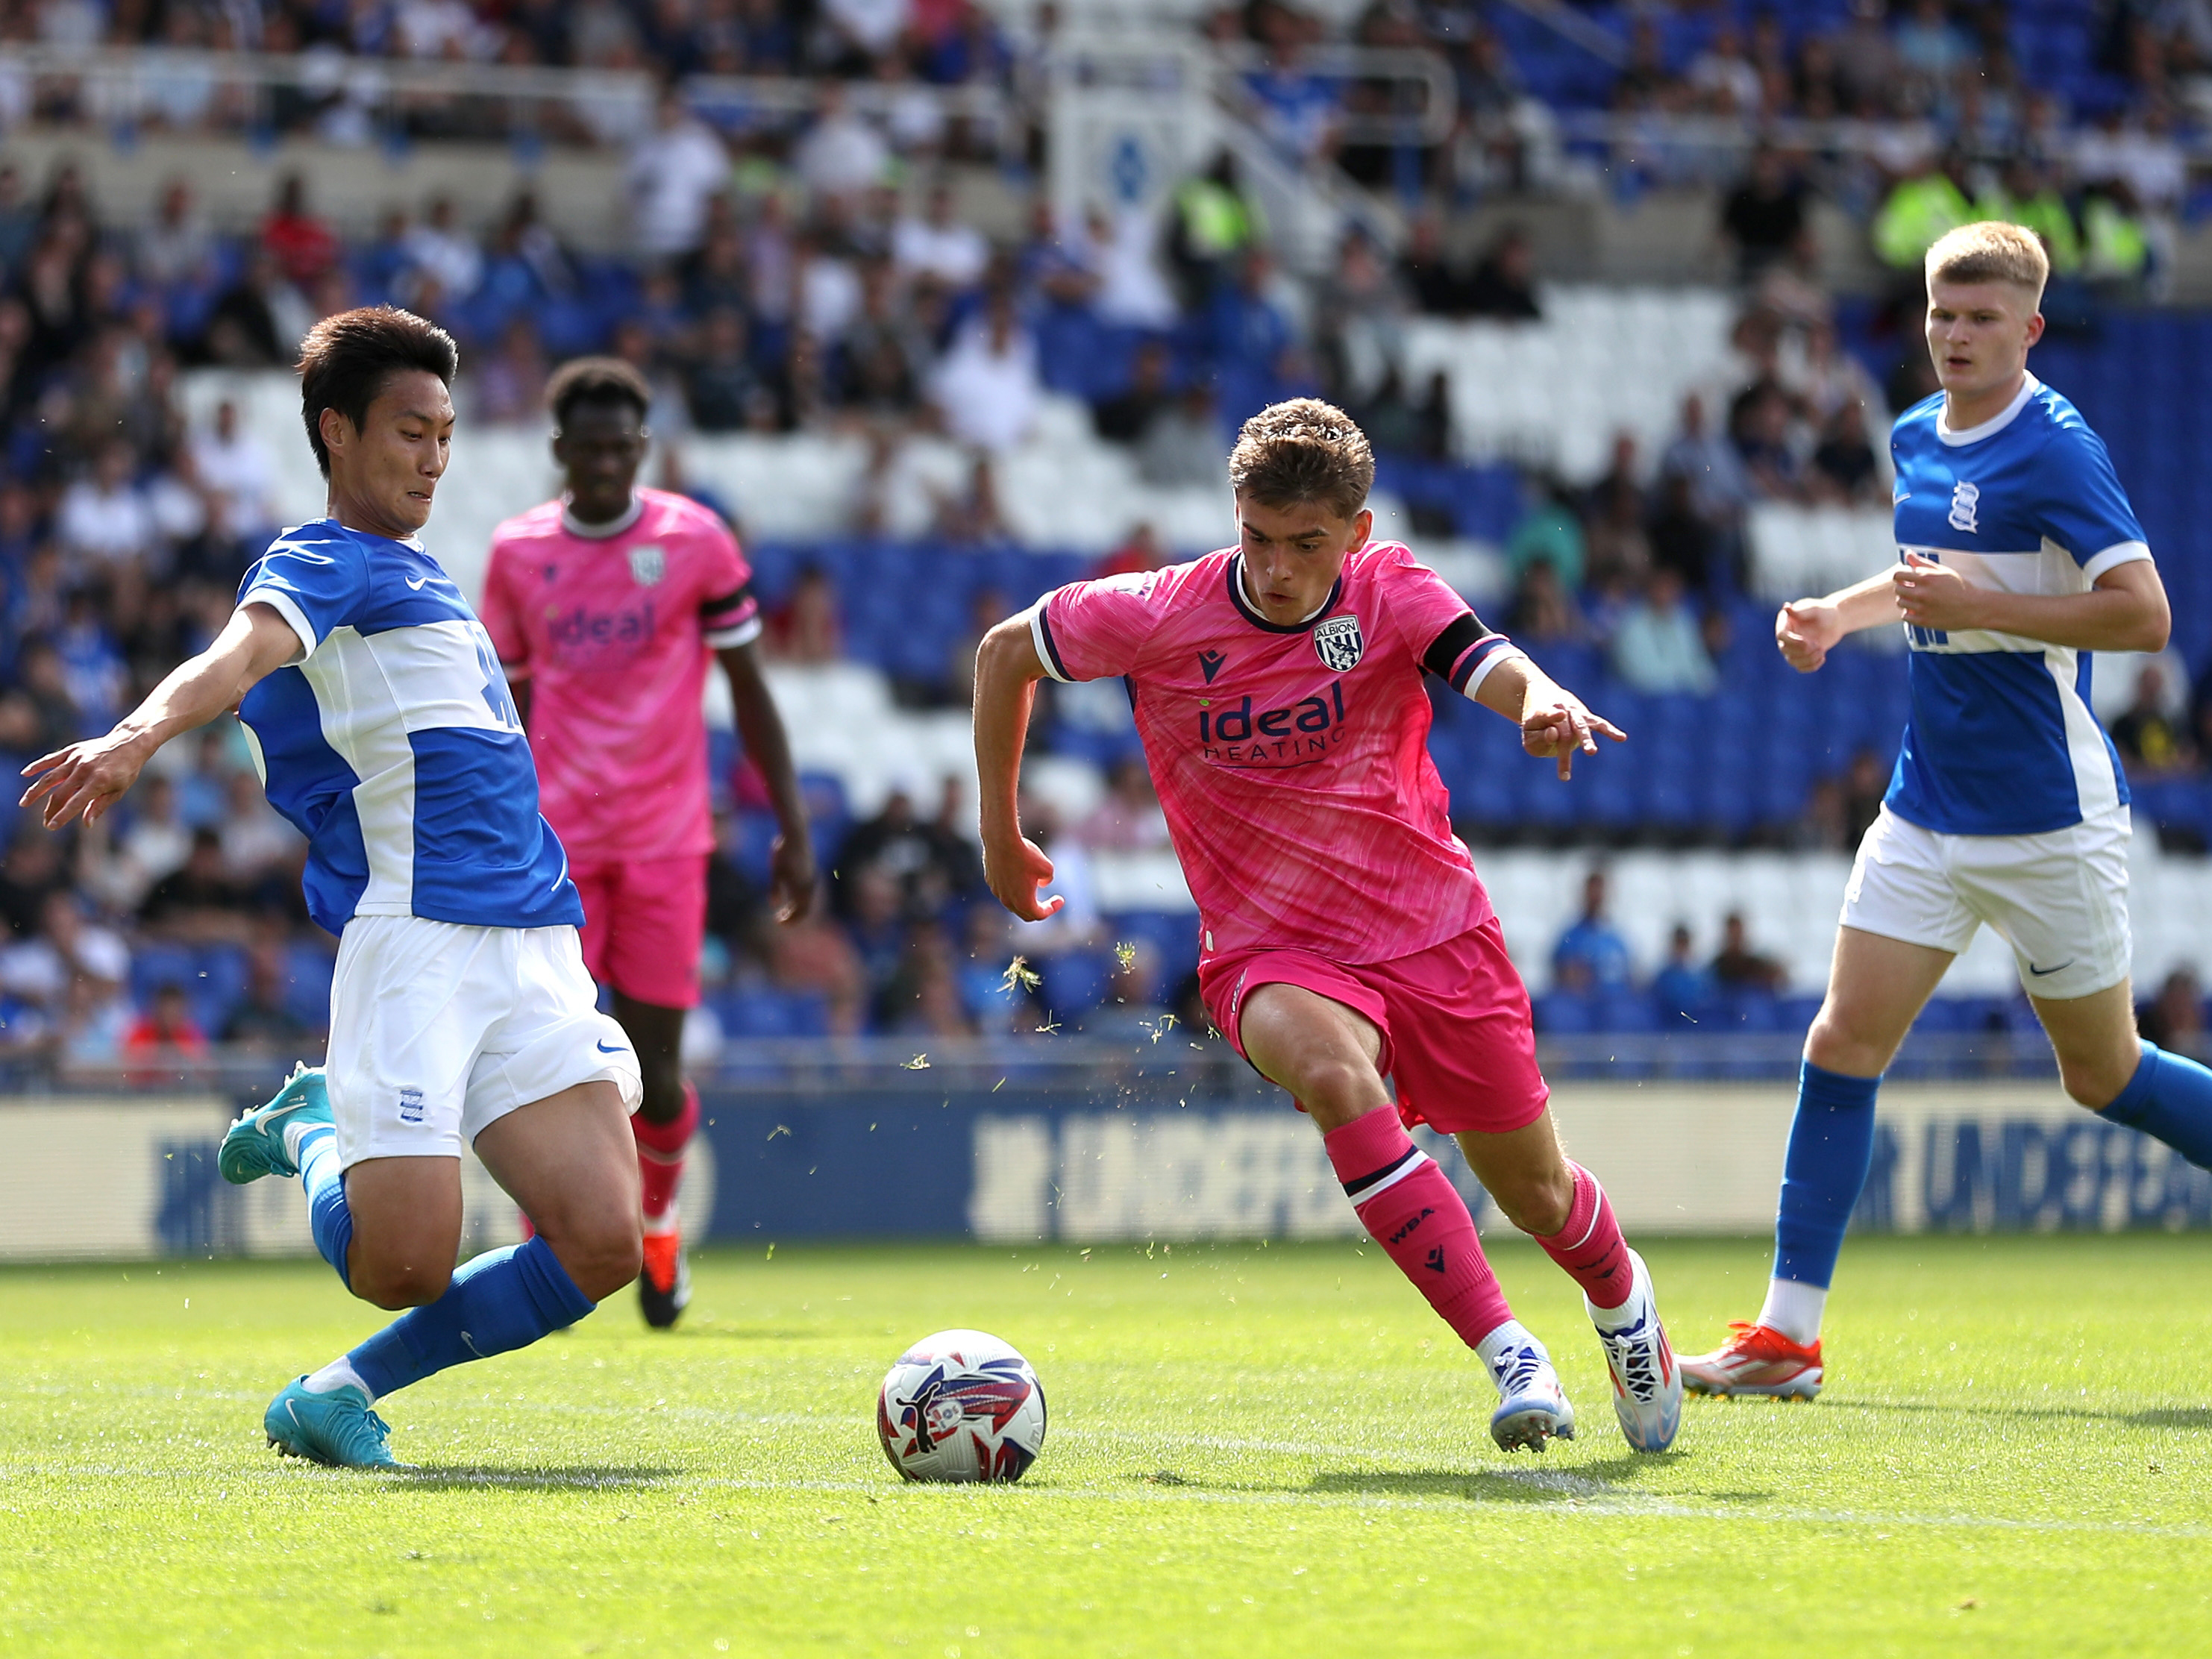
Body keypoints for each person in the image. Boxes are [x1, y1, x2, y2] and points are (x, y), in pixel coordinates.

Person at [971, 398, 1682, 1456]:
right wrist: (998, 833)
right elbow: (1001, 654)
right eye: (1257, 537)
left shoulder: (1392, 589)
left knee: (1535, 1191)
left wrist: (1542, 701)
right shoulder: (1162, 609)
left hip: (1435, 934)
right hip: (1270, 951)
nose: (1276, 568)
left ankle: (1625, 1310)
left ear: (1354, 531)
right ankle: (1508, 1352)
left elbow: (1483, 658)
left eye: (1306, 545)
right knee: (1334, 1076)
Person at [22, 307, 647, 1469]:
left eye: (447, 434)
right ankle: (309, 1127)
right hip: (416, 940)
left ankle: (333, 1397)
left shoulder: (430, 579)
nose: (433, 457)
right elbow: (242, 652)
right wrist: (137, 733)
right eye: (409, 430)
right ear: (337, 432)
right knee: (396, 1265)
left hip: (535, 946)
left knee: (607, 1242)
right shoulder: (322, 560)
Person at [1683, 222, 2212, 1399]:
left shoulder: (2059, 449)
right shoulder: (1917, 431)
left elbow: (2144, 617)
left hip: (2047, 821)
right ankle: (1786, 1339)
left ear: (2030, 329)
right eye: (1941, 315)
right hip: (1927, 809)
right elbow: (1934, 572)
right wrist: (1838, 612)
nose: (1957, 336)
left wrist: (1986, 606)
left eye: (1982, 319)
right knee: (1841, 1040)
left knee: (2105, 1076)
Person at [481, 357, 815, 1329]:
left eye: (620, 448)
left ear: (643, 448)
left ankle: (658, 1229)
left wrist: (791, 828)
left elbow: (749, 688)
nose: (603, 465)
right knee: (552, 1059)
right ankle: (547, 1236)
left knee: (654, 1073)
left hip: (669, 843)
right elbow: (508, 707)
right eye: (586, 449)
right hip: (556, 854)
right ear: (559, 454)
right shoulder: (518, 553)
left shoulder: (694, 539)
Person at [1551, 870, 1632, 993]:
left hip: (1613, 1002)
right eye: (1592, 890)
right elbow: (1563, 975)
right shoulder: (1571, 936)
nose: (1596, 896)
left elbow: (1628, 974)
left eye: (1600, 890)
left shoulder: (1617, 937)